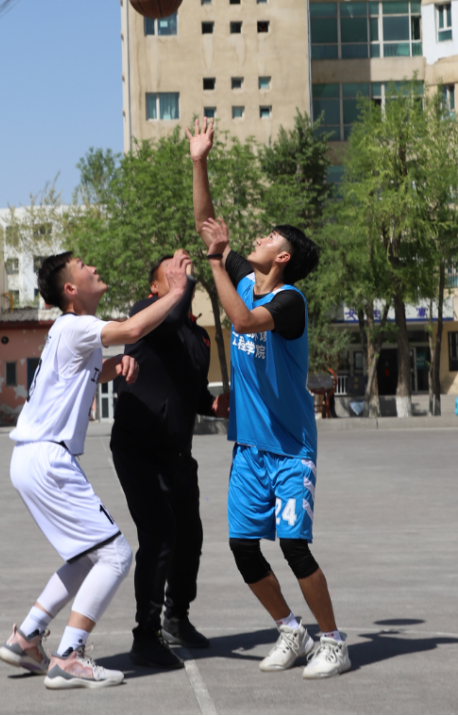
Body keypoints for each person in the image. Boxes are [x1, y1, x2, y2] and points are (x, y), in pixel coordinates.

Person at [187, 118, 351, 680]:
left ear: (282, 257)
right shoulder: (245, 278)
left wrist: (216, 261)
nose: (259, 238)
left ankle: (333, 640)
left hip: (291, 450)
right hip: (249, 448)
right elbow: (208, 227)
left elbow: (240, 319)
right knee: (242, 547)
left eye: (270, 237)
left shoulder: (289, 301)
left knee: (294, 547)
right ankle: (290, 629)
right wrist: (199, 161)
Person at [0, 250, 190, 690]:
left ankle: (27, 636)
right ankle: (69, 656)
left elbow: (77, 375)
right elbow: (133, 329)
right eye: (84, 267)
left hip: (29, 458)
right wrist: (177, 291)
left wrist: (111, 368)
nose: (94, 268)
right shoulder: (77, 325)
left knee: (87, 555)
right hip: (49, 459)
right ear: (71, 289)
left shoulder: (67, 333)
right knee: (116, 554)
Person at [111, 250, 228, 670]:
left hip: (178, 453)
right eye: (173, 274)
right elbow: (173, 314)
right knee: (159, 536)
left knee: (189, 538)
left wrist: (216, 406)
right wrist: (183, 286)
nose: (183, 277)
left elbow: (195, 395)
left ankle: (177, 617)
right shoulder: (144, 313)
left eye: (186, 272)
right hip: (139, 449)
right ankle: (145, 636)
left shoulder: (200, 337)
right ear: (154, 287)